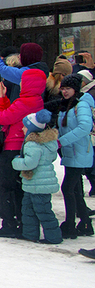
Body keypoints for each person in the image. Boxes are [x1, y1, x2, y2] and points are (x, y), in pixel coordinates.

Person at [0, 67, 46, 238]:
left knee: (4, 186)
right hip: (22, 146)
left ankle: (9, 223)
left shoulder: (26, 102)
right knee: (17, 187)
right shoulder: (34, 101)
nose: (20, 83)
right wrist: (5, 99)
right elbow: (11, 115)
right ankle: (22, 221)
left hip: (13, 147)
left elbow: (1, 117)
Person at [53, 74, 94, 239]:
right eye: (62, 89)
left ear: (75, 89)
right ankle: (85, 223)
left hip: (79, 152)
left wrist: (62, 141)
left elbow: (85, 127)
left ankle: (70, 224)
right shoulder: (68, 104)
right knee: (75, 190)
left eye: (67, 89)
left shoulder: (81, 105)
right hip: (71, 152)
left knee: (68, 188)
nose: (64, 92)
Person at [12, 110, 62, 244]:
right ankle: (30, 234)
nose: (22, 128)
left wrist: (16, 161)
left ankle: (54, 237)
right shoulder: (46, 143)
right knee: (28, 209)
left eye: (25, 126)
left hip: (38, 184)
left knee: (43, 211)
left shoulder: (32, 144)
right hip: (35, 184)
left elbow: (30, 163)